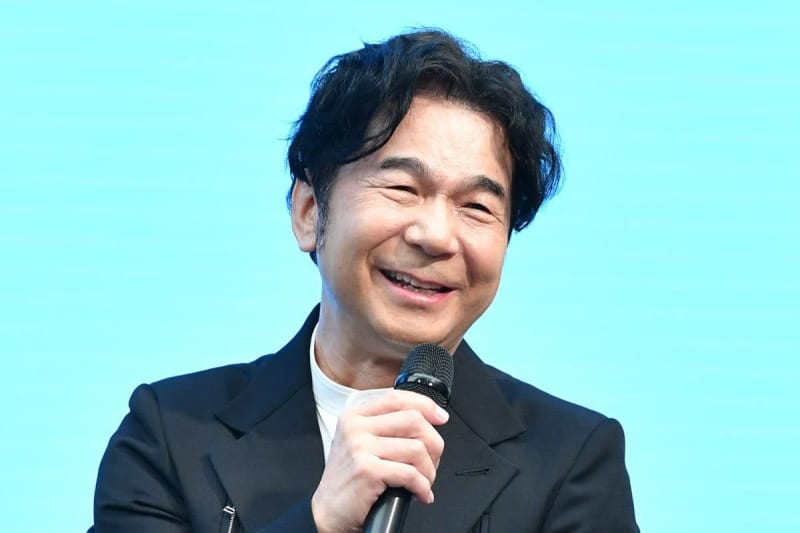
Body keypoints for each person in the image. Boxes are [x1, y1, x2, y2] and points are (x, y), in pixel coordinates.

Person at [90, 29, 639, 532]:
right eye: (402, 189)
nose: (436, 236)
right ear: (309, 211)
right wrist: (321, 520)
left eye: (476, 206)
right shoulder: (170, 436)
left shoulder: (569, 462)